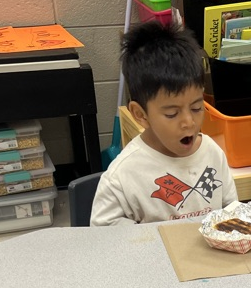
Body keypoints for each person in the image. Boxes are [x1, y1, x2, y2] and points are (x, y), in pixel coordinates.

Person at [91, 22, 238, 226]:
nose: (189, 122)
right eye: (172, 113)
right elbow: (103, 237)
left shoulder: (212, 154)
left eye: (196, 108)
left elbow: (231, 208)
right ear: (141, 115)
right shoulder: (123, 176)